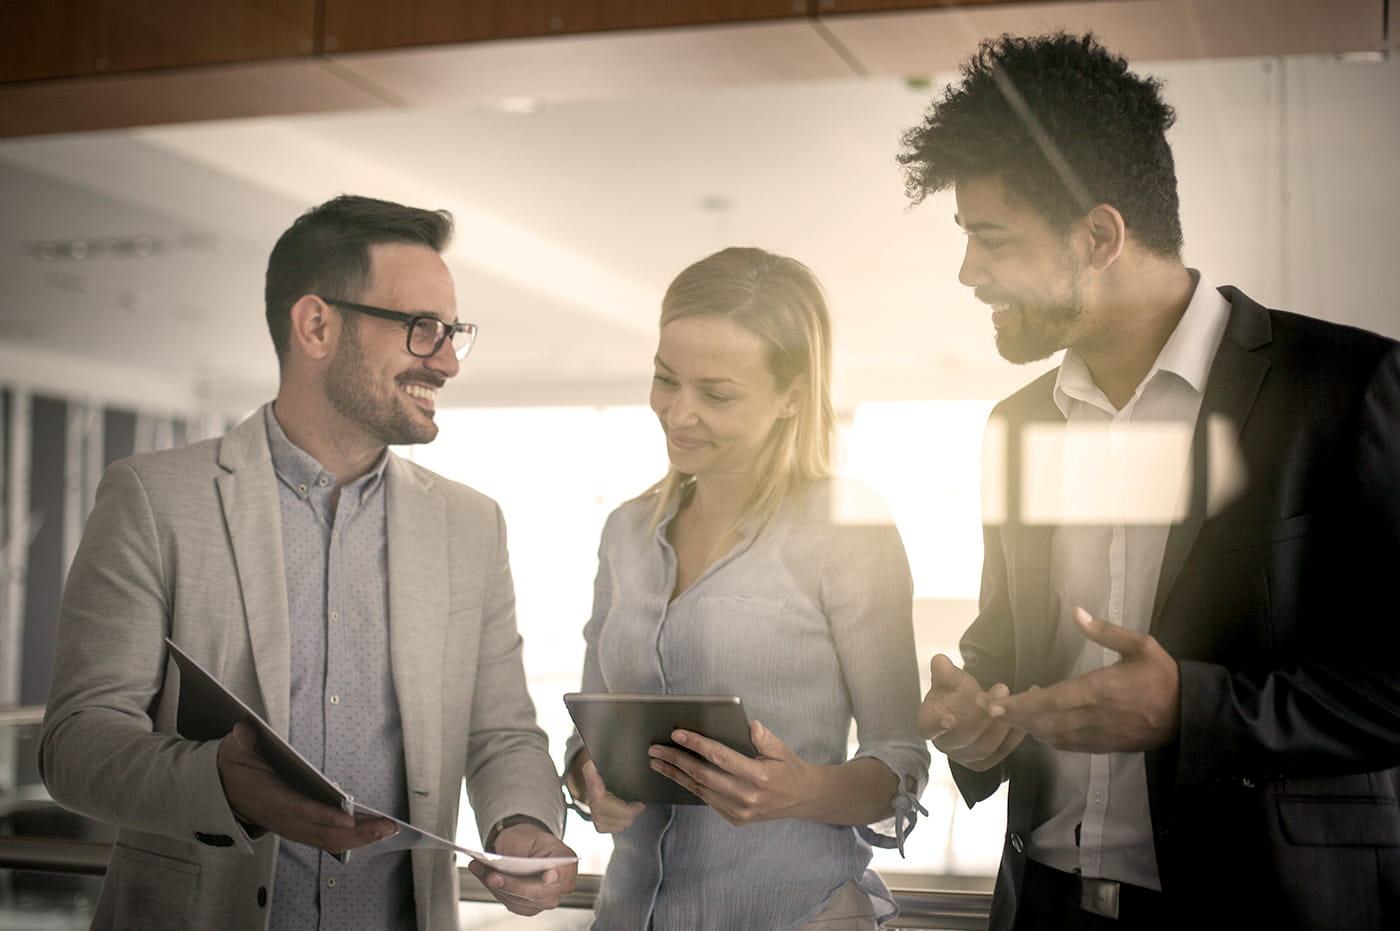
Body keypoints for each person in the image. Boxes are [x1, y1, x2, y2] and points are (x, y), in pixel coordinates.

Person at [898, 32, 1400, 931]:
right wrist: (977, 710)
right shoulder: (1016, 425)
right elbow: (1009, 646)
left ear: (1098, 235)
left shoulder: (1349, 386)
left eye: (992, 237)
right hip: (1044, 904)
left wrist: (1192, 707)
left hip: (1261, 909)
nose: (969, 270)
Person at [39, 194, 577, 929]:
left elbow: (501, 732)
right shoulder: (154, 498)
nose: (448, 360)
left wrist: (520, 823)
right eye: (423, 330)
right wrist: (218, 785)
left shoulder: (470, 525)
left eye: (453, 333)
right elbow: (76, 743)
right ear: (317, 325)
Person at [563, 246, 930, 929]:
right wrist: (588, 776)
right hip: (628, 913)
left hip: (796, 914)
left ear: (792, 394)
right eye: (665, 379)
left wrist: (803, 790)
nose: (678, 413)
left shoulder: (847, 526)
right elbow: (589, 731)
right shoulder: (626, 532)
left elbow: (901, 761)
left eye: (718, 394)